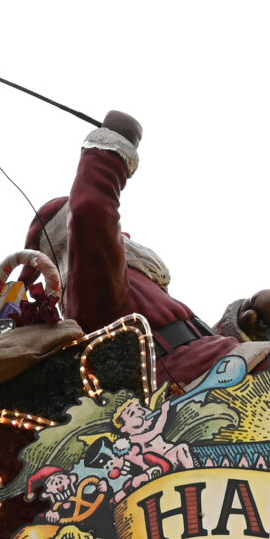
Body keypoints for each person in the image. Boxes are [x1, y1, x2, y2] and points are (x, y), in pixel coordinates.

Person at [25, 111, 243, 390]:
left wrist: (238, 325)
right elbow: (90, 210)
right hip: (192, 375)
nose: (121, 235)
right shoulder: (91, 281)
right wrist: (109, 149)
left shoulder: (132, 280)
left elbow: (182, 335)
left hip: (209, 360)